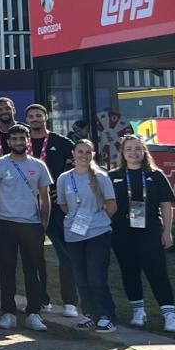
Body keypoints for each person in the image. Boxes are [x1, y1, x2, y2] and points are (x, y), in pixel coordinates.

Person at [0, 124, 54, 332]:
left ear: (28, 140)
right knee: (7, 270)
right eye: (14, 139)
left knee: (33, 271)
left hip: (32, 225)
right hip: (6, 224)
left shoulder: (38, 165)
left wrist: (43, 223)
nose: (18, 142)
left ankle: (34, 313)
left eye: (22, 138)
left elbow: (45, 196)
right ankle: (8, 313)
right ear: (8, 141)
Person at [111, 134, 175, 332]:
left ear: (144, 151)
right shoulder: (113, 176)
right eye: (129, 149)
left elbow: (166, 205)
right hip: (122, 233)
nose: (133, 152)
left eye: (137, 148)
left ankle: (169, 315)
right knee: (130, 272)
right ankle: (138, 311)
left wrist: (167, 232)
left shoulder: (155, 175)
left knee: (157, 272)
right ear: (123, 153)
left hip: (150, 231)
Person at [23, 103, 80, 318]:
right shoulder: (21, 143)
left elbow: (77, 169)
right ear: (27, 120)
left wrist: (63, 192)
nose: (35, 119)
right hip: (29, 207)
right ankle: (42, 299)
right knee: (34, 255)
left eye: (39, 115)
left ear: (46, 117)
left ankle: (70, 302)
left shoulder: (62, 142)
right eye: (31, 116)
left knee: (66, 254)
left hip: (56, 207)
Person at [57, 140, 119, 332]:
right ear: (73, 153)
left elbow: (112, 205)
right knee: (81, 277)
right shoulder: (64, 178)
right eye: (80, 151)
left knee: (96, 277)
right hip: (74, 233)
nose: (84, 155)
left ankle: (107, 315)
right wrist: (78, 218)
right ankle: (90, 313)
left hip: (98, 232)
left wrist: (98, 220)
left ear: (93, 154)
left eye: (88, 152)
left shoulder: (101, 177)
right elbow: (63, 205)